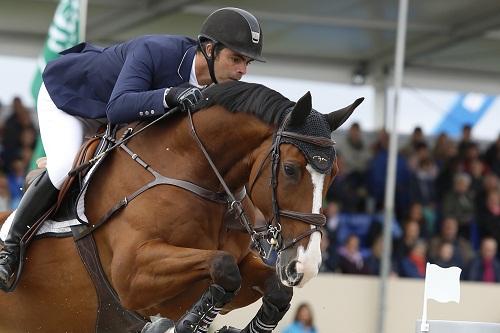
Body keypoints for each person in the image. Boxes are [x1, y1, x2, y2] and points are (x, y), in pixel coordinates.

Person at [0, 7, 265, 291]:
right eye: (236, 59)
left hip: (115, 116)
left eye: (247, 62)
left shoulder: (215, 88)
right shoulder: (155, 50)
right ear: (210, 50)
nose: (242, 70)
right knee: (65, 165)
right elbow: (118, 107)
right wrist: (169, 94)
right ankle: (10, 245)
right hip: (70, 100)